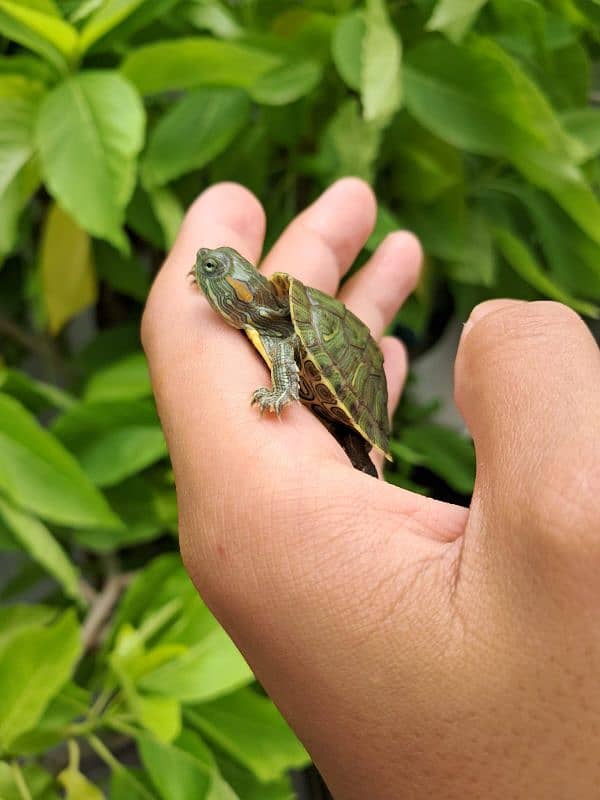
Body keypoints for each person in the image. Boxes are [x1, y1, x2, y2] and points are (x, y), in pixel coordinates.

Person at [142, 178, 600, 799]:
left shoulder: (278, 328)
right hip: (333, 346)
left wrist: (281, 390)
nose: (211, 270)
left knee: (355, 457)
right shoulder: (262, 312)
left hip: (347, 384)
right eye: (216, 272)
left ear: (242, 288)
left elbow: (283, 345)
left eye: (220, 272)